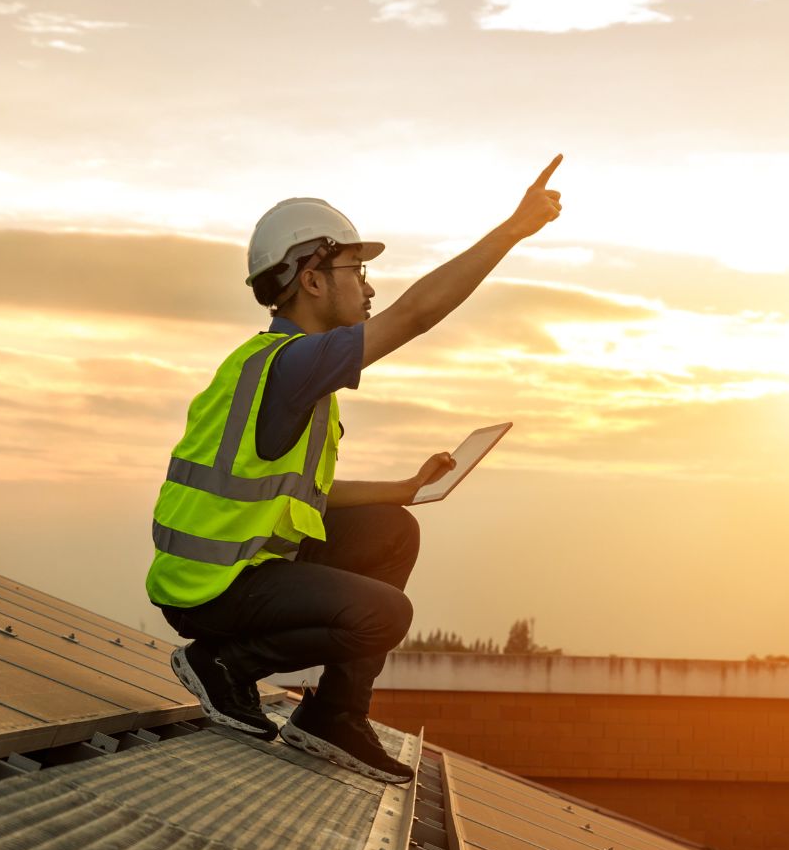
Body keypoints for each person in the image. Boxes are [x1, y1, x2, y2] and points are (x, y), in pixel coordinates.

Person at [147, 156, 566, 783]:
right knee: (384, 615)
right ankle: (224, 666)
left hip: (238, 569)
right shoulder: (293, 364)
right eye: (357, 270)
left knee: (393, 529)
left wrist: (404, 489)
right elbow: (416, 315)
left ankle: (335, 716)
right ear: (312, 280)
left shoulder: (285, 368)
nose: (369, 288)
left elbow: (297, 494)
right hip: (213, 590)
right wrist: (511, 231)